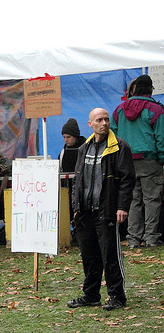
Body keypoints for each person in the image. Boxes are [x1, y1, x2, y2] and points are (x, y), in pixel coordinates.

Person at [68, 108, 135, 311]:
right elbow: (78, 180)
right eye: (99, 120)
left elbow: (127, 180)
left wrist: (122, 207)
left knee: (110, 255)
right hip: (85, 212)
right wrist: (76, 208)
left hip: (106, 210)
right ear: (90, 124)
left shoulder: (119, 147)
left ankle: (117, 296)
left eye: (106, 119)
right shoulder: (84, 148)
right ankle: (91, 295)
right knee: (89, 256)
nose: (104, 123)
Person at [111, 74, 164, 248]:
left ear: (134, 90)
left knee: (132, 200)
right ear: (150, 90)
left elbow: (113, 136)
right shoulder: (156, 110)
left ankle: (133, 239)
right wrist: (162, 160)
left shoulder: (119, 110)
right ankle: (151, 238)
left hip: (126, 161)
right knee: (152, 200)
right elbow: (161, 139)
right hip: (149, 161)